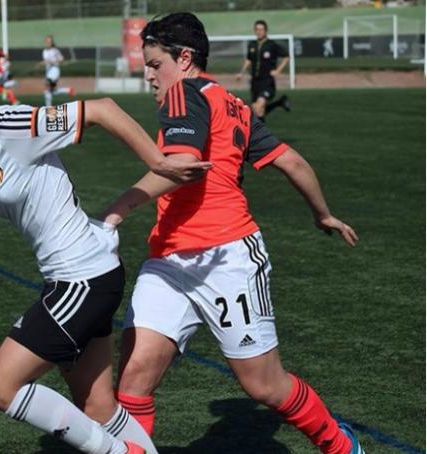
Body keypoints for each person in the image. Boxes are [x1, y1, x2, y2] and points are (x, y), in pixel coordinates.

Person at [0, 37, 209, 454]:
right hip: (80, 278)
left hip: (83, 278)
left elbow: (102, 110)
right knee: (99, 407)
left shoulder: (10, 126)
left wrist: (158, 163)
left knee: (1, 386)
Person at [102, 13, 365, 454]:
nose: (147, 74)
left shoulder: (183, 93)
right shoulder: (233, 104)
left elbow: (181, 167)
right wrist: (323, 214)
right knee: (136, 374)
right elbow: (293, 162)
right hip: (168, 260)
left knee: (265, 386)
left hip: (226, 258)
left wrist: (117, 208)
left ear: (184, 59)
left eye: (153, 64)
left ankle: (341, 446)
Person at [236, 20, 290, 121]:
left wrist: (278, 71)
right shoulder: (252, 44)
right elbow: (248, 59)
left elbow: (286, 57)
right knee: (257, 111)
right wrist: (241, 72)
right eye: (257, 29)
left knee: (258, 106)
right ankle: (280, 102)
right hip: (255, 82)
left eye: (261, 29)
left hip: (267, 81)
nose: (259, 31)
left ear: (266, 31)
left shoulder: (271, 44)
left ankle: (261, 136)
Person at [40, 34, 75, 107]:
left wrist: (52, 61)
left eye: (49, 41)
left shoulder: (55, 50)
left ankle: (48, 108)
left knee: (47, 88)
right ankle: (68, 90)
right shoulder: (44, 51)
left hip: (54, 71)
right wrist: (43, 63)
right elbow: (46, 61)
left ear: (52, 42)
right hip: (48, 72)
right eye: (47, 41)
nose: (48, 43)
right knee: (52, 91)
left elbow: (62, 59)